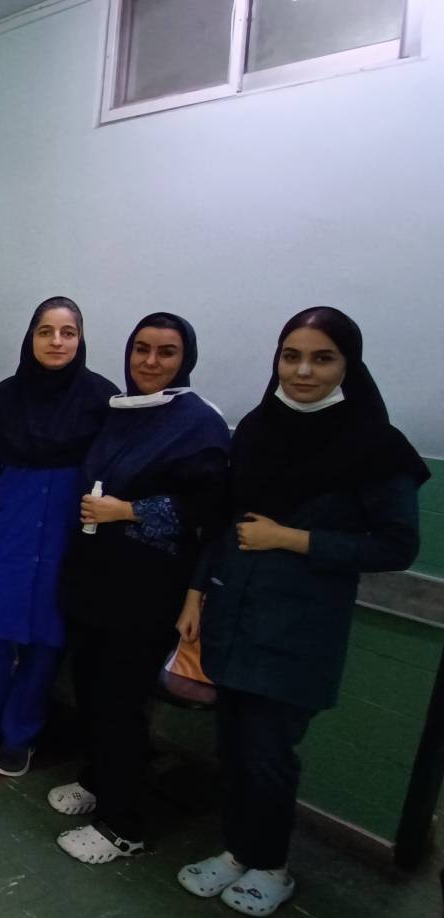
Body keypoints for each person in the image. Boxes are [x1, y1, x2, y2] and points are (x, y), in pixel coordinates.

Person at [174, 307, 428, 916]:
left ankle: (272, 866)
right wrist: (195, 593)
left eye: (322, 358)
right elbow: (224, 521)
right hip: (234, 614)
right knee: (233, 746)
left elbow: (397, 545)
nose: (303, 371)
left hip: (299, 631)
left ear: (348, 364)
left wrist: (293, 539)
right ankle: (237, 851)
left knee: (268, 755)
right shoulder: (258, 428)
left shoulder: (375, 445)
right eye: (291, 357)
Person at [50, 313, 230, 864]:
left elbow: (208, 511)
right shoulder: (123, 411)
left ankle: (122, 826)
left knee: (122, 703)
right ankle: (97, 780)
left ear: (186, 359)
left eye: (166, 352)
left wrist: (126, 511)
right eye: (141, 349)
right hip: (95, 581)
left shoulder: (199, 424)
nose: (150, 362)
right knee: (91, 689)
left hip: (146, 591)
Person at [0, 296, 116, 777]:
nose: (56, 341)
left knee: (46, 643)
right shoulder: (6, 397)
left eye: (68, 332)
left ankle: (20, 732)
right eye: (46, 331)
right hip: (6, 531)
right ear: (31, 337)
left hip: (65, 537)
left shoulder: (102, 399)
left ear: (80, 339)